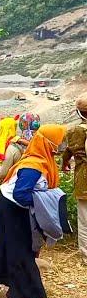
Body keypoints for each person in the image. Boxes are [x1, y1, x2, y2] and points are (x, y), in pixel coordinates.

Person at [0, 124, 67, 298]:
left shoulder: (43, 160)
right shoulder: (33, 166)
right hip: (11, 207)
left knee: (12, 243)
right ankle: (25, 293)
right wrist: (43, 206)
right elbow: (21, 193)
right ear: (47, 143)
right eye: (58, 141)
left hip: (15, 206)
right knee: (20, 248)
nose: (61, 145)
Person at [62, 95, 87, 264]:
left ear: (79, 112)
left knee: (84, 219)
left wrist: (65, 164)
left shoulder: (74, 131)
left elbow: (66, 153)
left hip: (83, 178)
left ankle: (86, 255)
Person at [0, 112, 41, 182]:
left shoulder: (29, 133)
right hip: (31, 163)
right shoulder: (38, 133)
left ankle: (4, 177)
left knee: (12, 149)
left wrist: (19, 140)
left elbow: (32, 144)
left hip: (26, 159)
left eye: (24, 122)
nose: (22, 124)